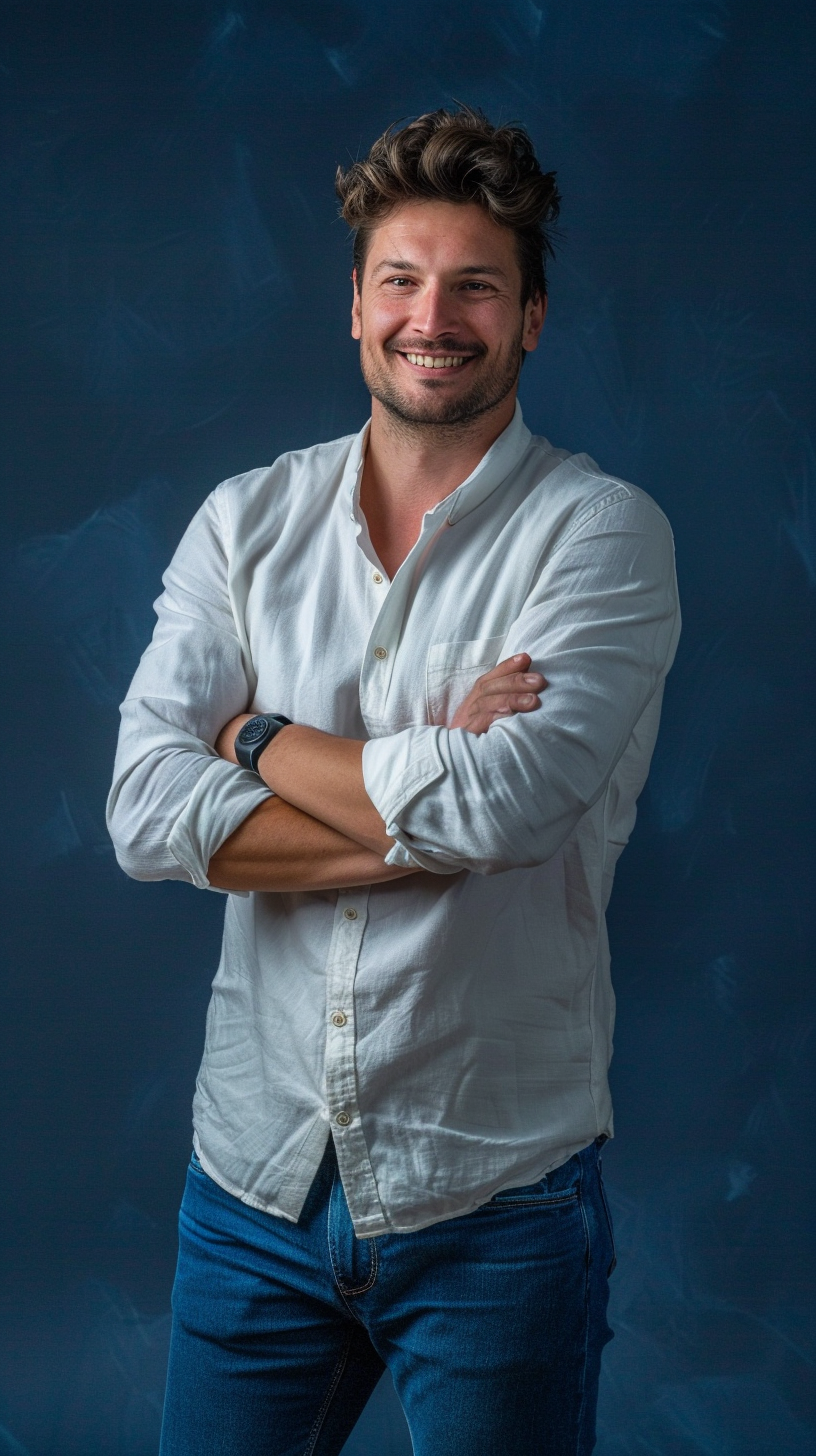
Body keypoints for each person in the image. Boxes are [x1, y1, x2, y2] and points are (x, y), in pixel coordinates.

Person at [107, 106, 680, 1456]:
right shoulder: (244, 525)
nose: (438, 316)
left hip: (496, 1201)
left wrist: (252, 740)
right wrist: (431, 801)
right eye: (404, 282)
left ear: (532, 315)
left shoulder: (600, 538)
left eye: (478, 284)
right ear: (354, 308)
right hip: (248, 1190)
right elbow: (141, 810)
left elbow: (514, 806)